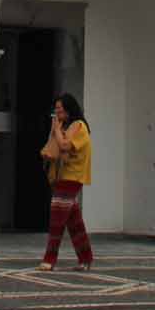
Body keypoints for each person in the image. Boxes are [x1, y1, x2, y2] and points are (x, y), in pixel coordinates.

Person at [36, 92, 94, 271]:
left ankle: (49, 259)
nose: (57, 114)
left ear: (69, 110)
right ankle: (86, 258)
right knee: (74, 222)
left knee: (57, 220)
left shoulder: (79, 126)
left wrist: (56, 131)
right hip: (64, 176)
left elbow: (65, 146)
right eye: (56, 110)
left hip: (72, 177)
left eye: (60, 110)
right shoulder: (68, 127)